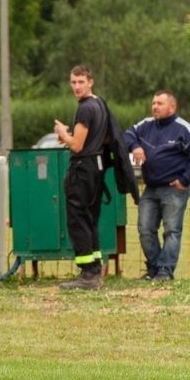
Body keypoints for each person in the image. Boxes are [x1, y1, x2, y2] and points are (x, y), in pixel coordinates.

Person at [124, 90, 190, 281]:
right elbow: (127, 134)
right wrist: (135, 147)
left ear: (172, 106)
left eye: (160, 104)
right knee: (145, 229)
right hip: (150, 188)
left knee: (172, 231)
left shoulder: (183, 129)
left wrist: (185, 180)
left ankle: (165, 271)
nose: (155, 107)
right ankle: (154, 269)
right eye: (153, 103)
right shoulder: (145, 125)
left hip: (174, 188)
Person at [54, 65, 109, 290]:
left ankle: (87, 275)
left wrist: (63, 134)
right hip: (97, 167)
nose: (77, 87)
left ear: (90, 82)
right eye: (73, 82)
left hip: (83, 169)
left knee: (78, 221)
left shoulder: (85, 108)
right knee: (90, 219)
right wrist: (71, 137)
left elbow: (77, 145)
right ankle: (95, 269)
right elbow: (104, 138)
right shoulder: (100, 104)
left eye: (81, 82)